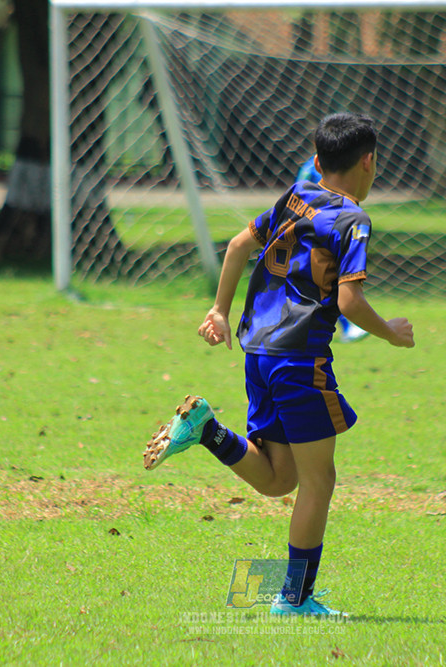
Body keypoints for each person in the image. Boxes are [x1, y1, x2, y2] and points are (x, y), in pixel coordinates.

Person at [143, 113, 415, 617]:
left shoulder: (296, 195)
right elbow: (351, 303)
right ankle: (294, 600)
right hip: (300, 359)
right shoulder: (354, 220)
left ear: (316, 162)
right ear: (369, 162)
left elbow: (239, 246)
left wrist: (218, 310)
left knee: (278, 480)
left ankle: (207, 432)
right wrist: (392, 334)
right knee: (319, 481)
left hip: (259, 354)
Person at [297, 156, 369, 343]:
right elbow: (300, 197)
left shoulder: (341, 166)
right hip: (316, 231)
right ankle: (348, 326)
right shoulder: (310, 169)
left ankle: (347, 326)